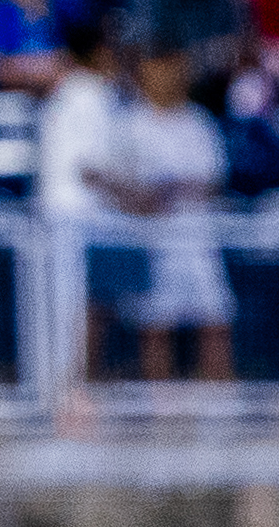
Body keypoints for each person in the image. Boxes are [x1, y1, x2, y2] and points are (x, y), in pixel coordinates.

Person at [99, 41, 235, 383]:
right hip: (151, 240)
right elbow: (115, 183)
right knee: (155, 328)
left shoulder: (198, 122)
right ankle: (160, 408)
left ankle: (221, 404)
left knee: (214, 322)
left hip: (197, 239)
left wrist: (174, 190)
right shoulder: (129, 124)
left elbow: (214, 180)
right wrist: (140, 199)